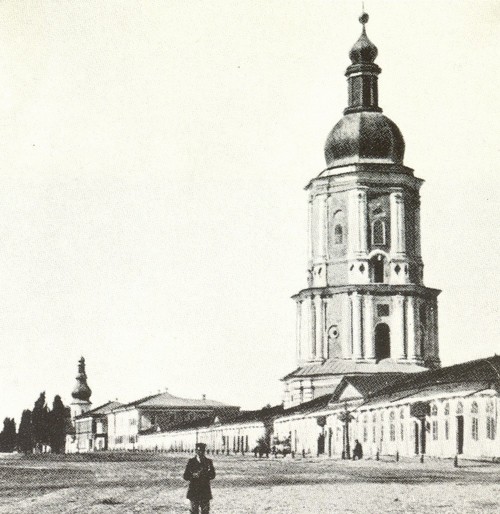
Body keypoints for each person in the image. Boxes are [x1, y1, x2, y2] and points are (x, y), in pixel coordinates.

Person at [183, 442, 216, 514]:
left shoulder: (208, 462)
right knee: (194, 511)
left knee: (205, 511)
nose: (200, 453)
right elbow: (185, 476)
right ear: (196, 451)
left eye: (202, 451)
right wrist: (193, 476)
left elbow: (213, 475)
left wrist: (205, 475)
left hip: (205, 490)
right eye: (198, 451)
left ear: (204, 451)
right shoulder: (191, 462)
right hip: (194, 490)